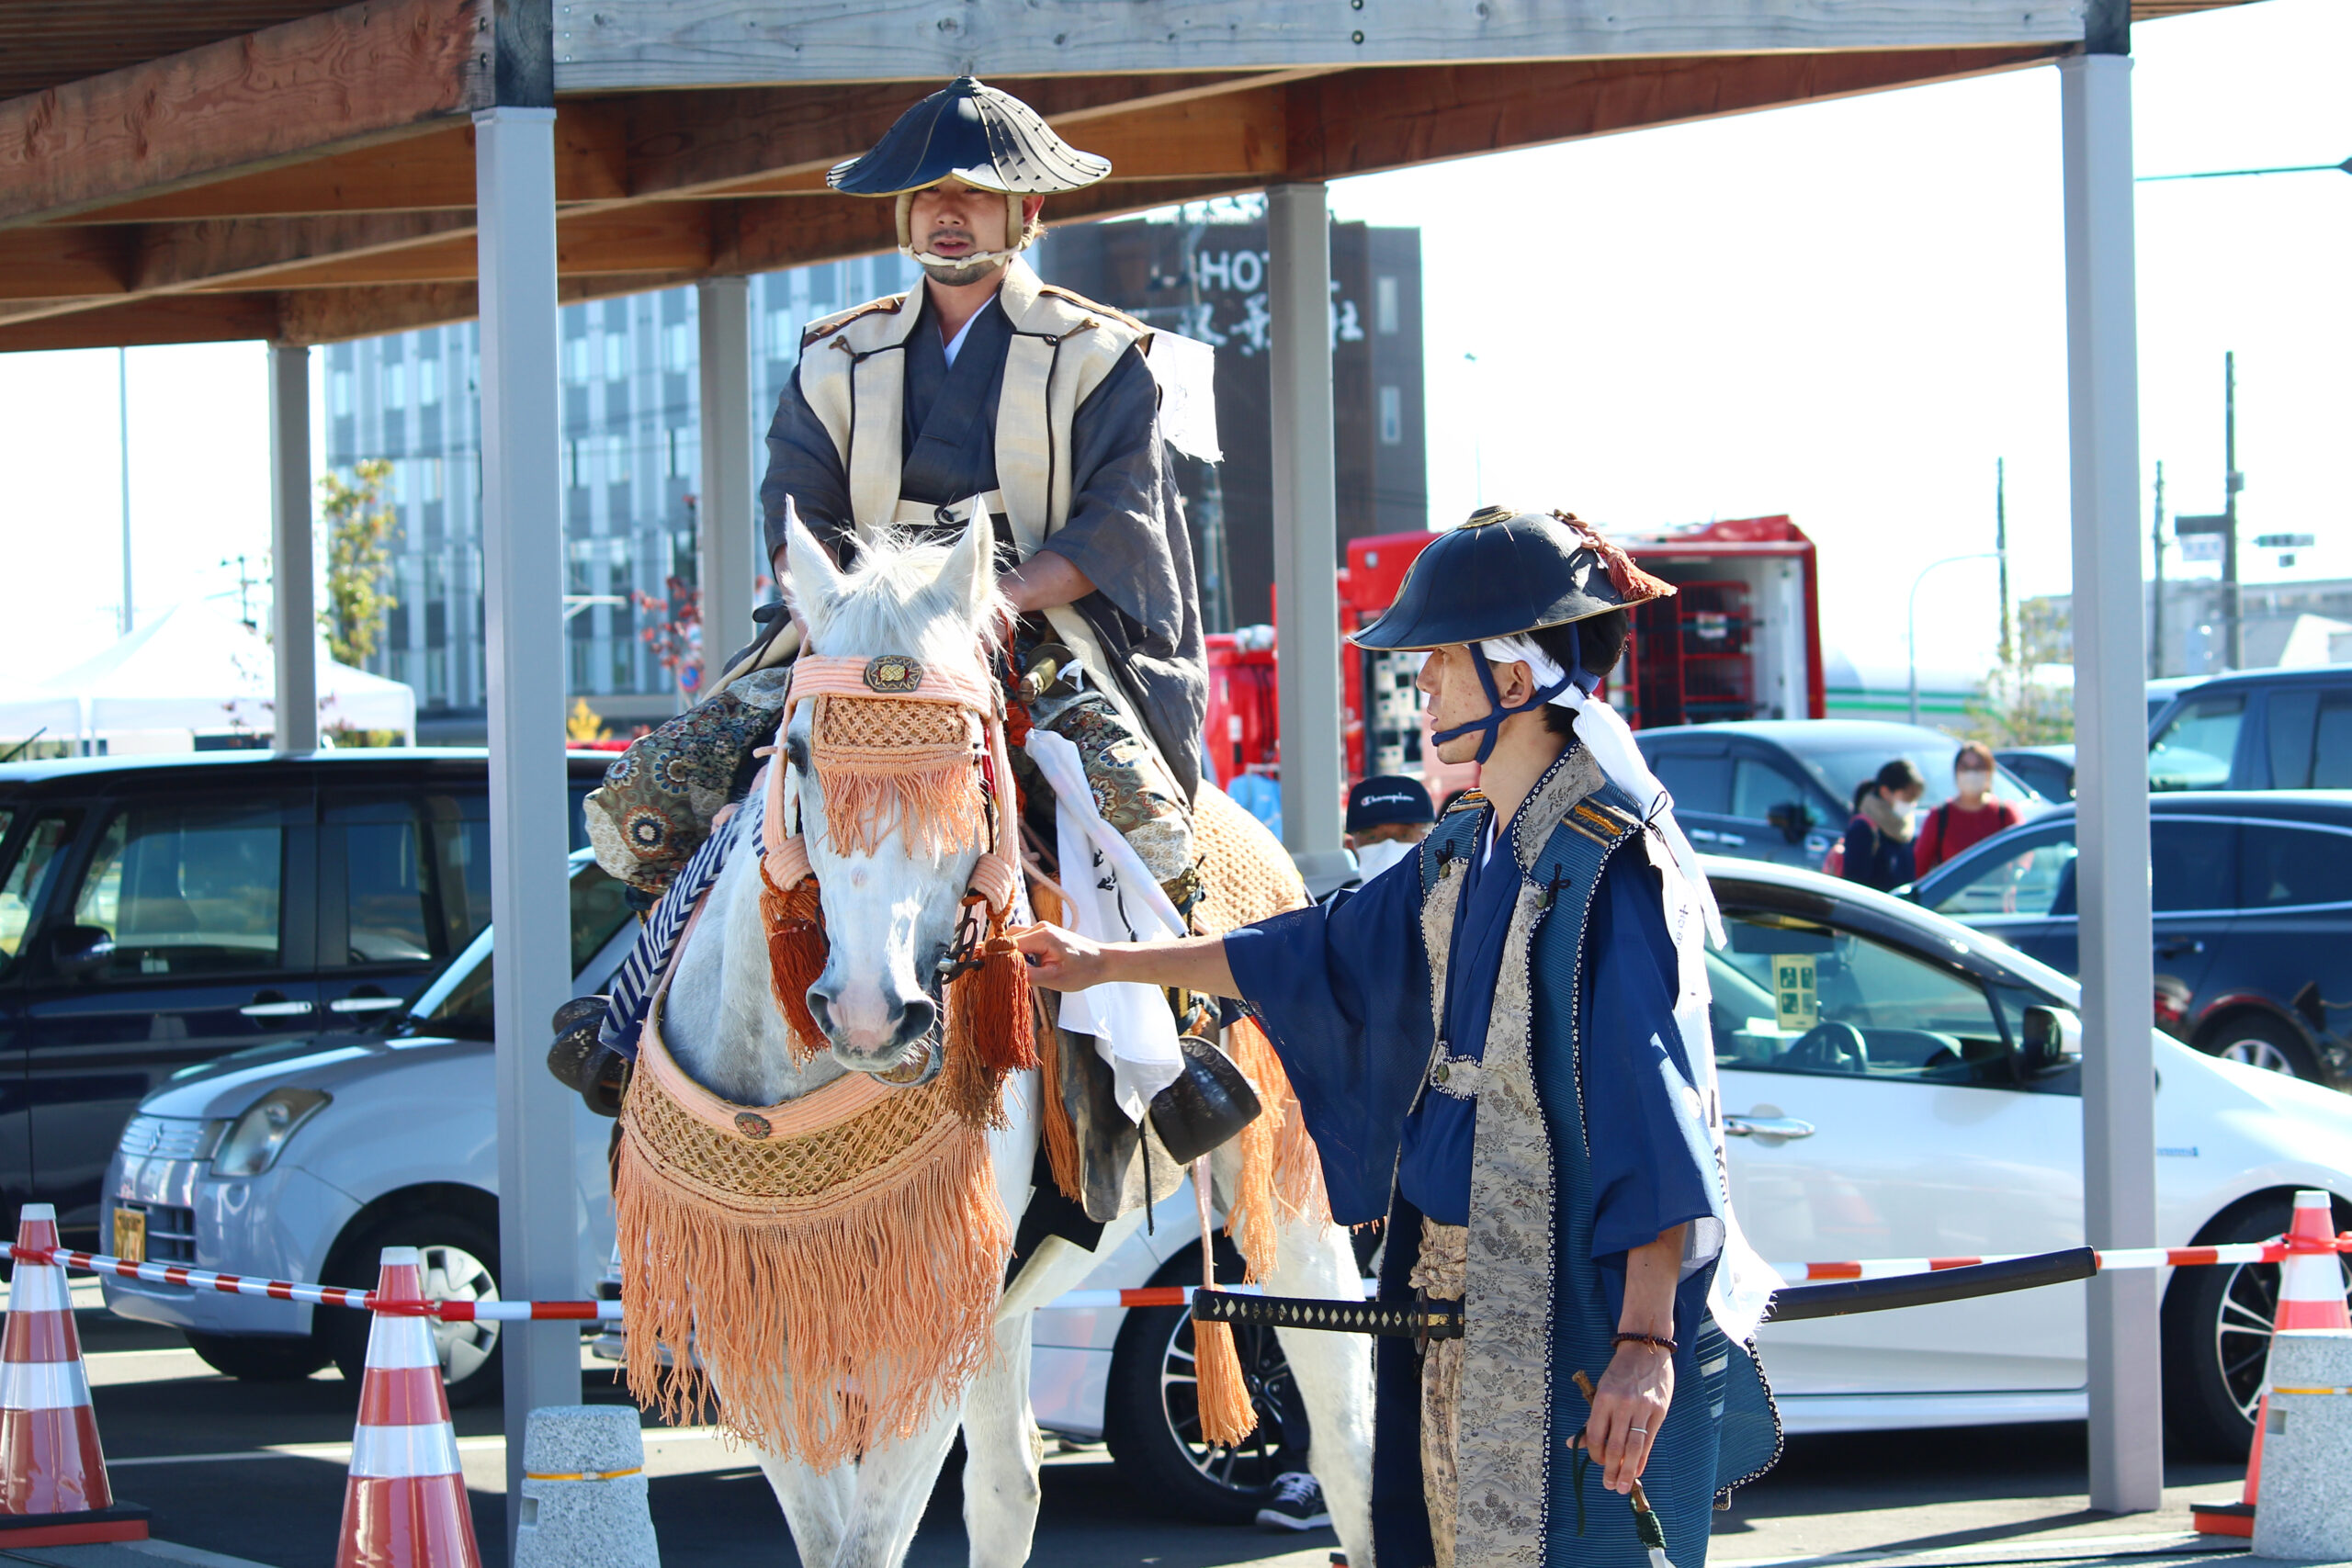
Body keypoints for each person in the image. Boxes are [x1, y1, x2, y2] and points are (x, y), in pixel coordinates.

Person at [1017, 507, 1779, 1568]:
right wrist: (1106, 965)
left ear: (1513, 682)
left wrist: (1646, 1344)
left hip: (1561, 1301)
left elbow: (1655, 1122)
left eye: (1434, 668)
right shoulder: (1468, 845)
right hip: (1440, 1293)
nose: (1416, 689)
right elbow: (1307, 952)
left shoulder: (1604, 866)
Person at [581, 75, 1206, 912]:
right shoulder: (837, 352)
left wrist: (987, 604)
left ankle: (1183, 1020)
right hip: (852, 634)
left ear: (1030, 209)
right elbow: (796, 502)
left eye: (977, 194)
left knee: (1147, 831)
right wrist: (828, 603)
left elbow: (1117, 526)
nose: (949, 213)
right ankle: (638, 1009)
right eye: (929, 195)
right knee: (645, 806)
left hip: (1026, 632)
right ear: (903, 212)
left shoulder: (1100, 353)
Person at [1912, 742, 2022, 877]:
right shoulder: (1940, 817)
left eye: (1978, 768)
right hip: (1952, 896)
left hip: (1997, 895)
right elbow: (1919, 867)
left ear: (1989, 773)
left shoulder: (2005, 814)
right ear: (1956, 772)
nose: (1971, 773)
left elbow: (2023, 858)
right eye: (1965, 768)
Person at [1840, 758, 1927, 892]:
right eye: (1907, 797)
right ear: (1885, 792)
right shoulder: (1863, 829)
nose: (1912, 804)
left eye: (1915, 798)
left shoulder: (1903, 827)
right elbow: (1855, 886)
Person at [1345, 773, 1436, 883]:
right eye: (1373, 837)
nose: (1389, 847)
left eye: (1404, 835)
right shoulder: (1337, 899)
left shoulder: (1456, 896)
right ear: (1351, 846)